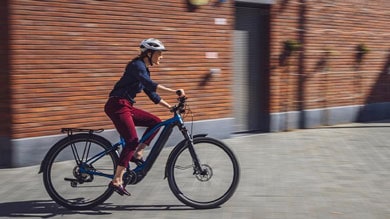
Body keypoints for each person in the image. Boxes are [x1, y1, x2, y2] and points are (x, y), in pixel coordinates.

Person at [104, 38, 185, 196]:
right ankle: (117, 179)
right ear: (149, 53)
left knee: (155, 122)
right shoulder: (136, 66)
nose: (161, 56)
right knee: (132, 140)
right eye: (159, 53)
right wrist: (175, 92)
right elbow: (150, 84)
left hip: (126, 106)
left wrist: (170, 107)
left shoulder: (144, 70)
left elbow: (152, 94)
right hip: (117, 105)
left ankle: (137, 153)